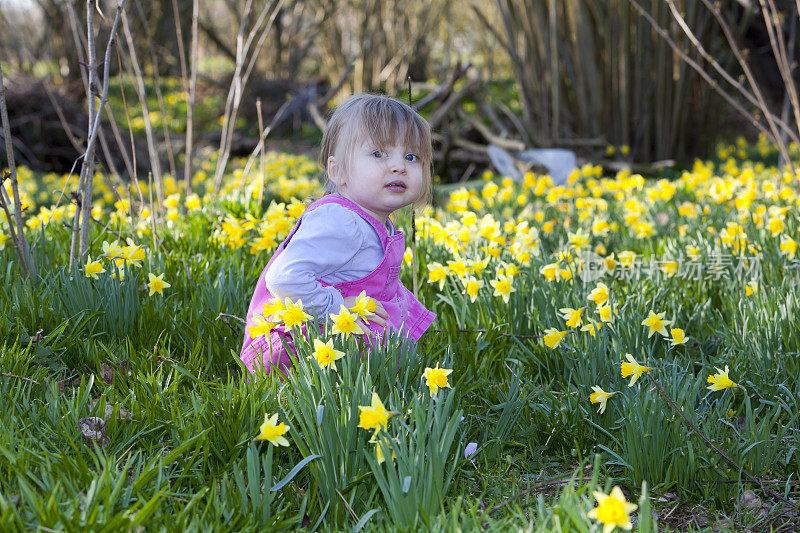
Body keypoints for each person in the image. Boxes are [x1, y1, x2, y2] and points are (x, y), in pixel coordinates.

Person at [240, 94, 436, 376]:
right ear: (338, 170)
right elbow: (284, 278)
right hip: (294, 356)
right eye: (379, 153)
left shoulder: (365, 220)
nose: (399, 166)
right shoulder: (341, 222)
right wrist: (337, 306)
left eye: (411, 156)